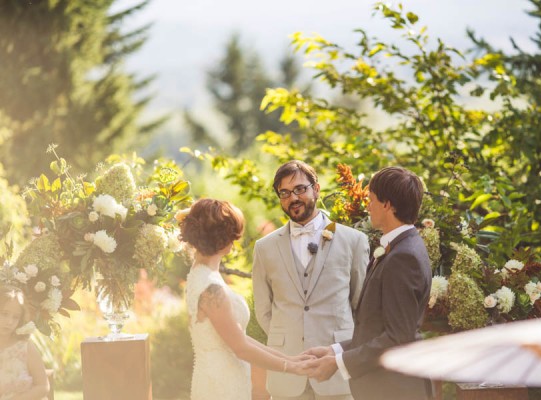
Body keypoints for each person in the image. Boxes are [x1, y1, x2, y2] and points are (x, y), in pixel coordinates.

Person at [304, 166, 433, 400]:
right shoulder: (402, 247)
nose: (367, 205)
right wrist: (335, 350)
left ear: (388, 204)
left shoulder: (404, 257)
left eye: (372, 199)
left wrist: (338, 363)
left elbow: (397, 337)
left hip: (395, 390)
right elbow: (378, 328)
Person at [252, 160, 370, 400]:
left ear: (316, 189)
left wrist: (341, 349)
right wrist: (288, 341)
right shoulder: (264, 248)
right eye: (284, 193)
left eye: (300, 189)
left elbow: (362, 306)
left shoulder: (354, 241)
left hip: (337, 370)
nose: (292, 198)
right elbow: (263, 310)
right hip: (286, 371)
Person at [178, 198, 313, 400]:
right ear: (223, 238)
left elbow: (237, 336)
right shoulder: (211, 289)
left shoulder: (199, 274)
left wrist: (291, 359)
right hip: (222, 385)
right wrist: (291, 367)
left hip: (219, 377)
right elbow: (240, 347)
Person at [0, 285, 50, 400]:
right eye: (4, 314)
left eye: (15, 317)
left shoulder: (25, 347)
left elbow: (43, 386)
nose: (9, 321)